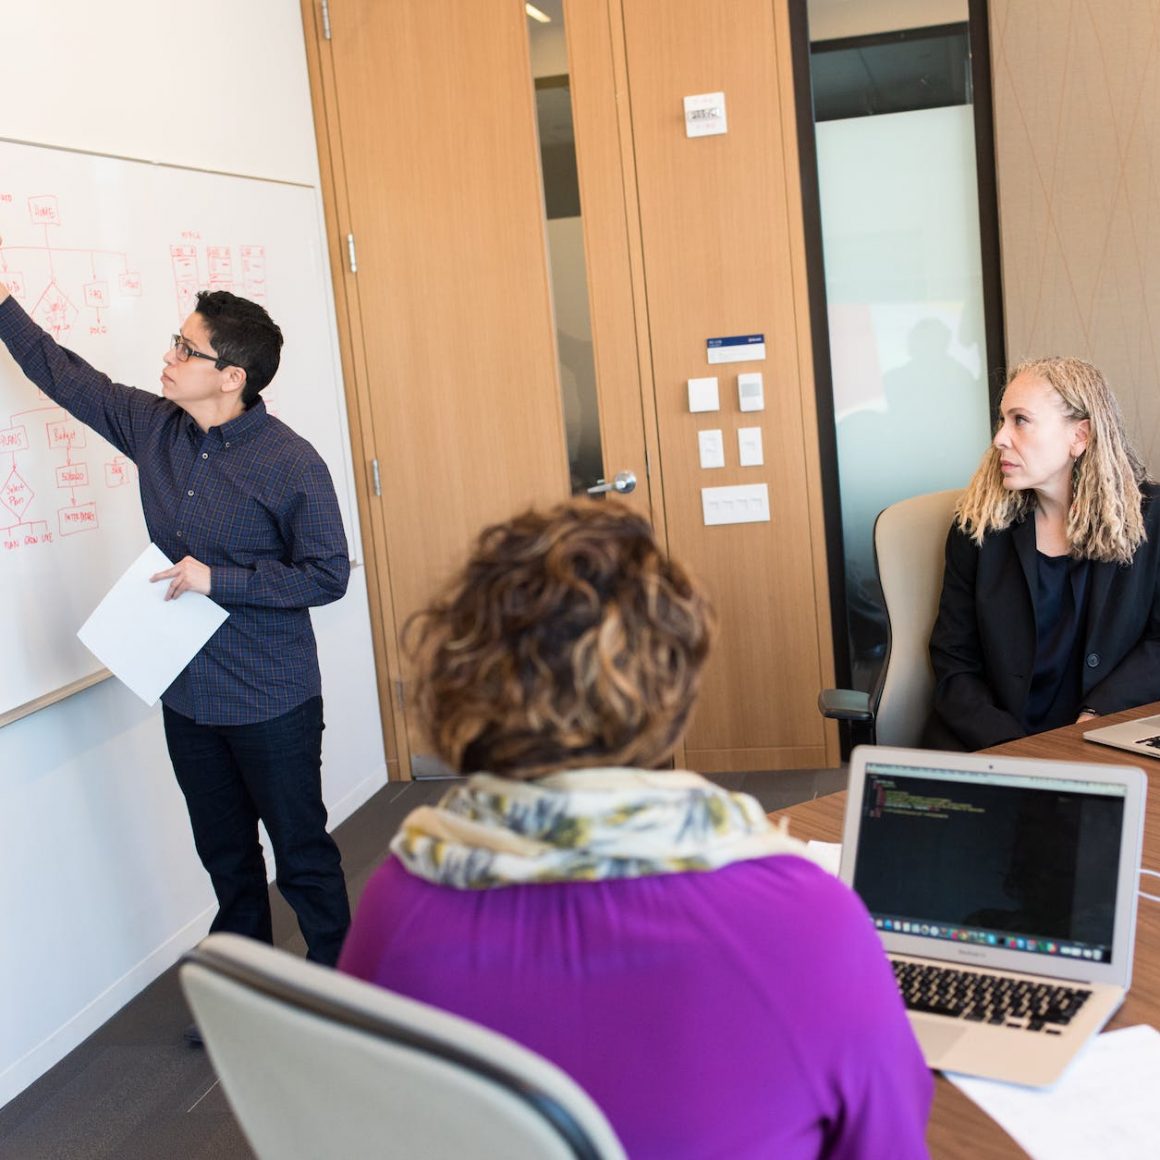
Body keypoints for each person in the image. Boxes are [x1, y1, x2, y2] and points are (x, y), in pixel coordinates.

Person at [339, 499, 931, 1160]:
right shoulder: (807, 919)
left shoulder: (400, 900)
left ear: (461, 676)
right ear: (672, 680)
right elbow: (889, 1143)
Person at [0, 285, 352, 987]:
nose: (169, 356)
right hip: (190, 695)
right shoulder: (154, 426)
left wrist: (220, 579)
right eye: (175, 340)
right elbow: (69, 377)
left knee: (301, 853)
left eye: (186, 349)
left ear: (231, 378)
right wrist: (5, 301)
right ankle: (249, 990)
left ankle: (343, 991)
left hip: (272, 698)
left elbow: (327, 575)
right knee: (226, 855)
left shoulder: (292, 463)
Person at [926, 356, 1160, 751]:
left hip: (1105, 738)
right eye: (1002, 420)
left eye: (1020, 420)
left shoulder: (1151, 520)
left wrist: (1094, 717)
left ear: (1080, 437)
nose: (1000, 438)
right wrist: (1019, 751)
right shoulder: (978, 528)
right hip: (991, 745)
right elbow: (954, 662)